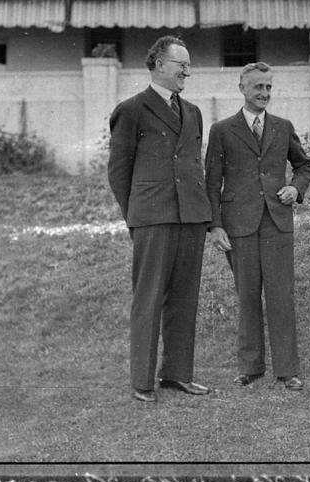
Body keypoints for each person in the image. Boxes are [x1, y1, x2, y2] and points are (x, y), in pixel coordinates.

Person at [108, 36, 212, 402]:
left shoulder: (193, 112)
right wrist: (136, 219)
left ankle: (177, 374)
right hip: (153, 218)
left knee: (185, 298)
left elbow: (193, 165)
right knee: (148, 299)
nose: (187, 71)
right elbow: (119, 173)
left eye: (188, 65)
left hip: (191, 217)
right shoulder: (131, 109)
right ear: (158, 64)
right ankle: (143, 382)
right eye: (181, 64)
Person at [205, 62, 310, 390]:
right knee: (248, 296)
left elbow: (304, 165)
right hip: (239, 225)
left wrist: (295, 188)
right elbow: (212, 182)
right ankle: (250, 367)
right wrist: (215, 226)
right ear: (242, 88)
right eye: (258, 87)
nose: (264, 93)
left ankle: (287, 370)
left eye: (268, 87)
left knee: (281, 296)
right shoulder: (222, 130)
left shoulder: (283, 127)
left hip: (277, 223)